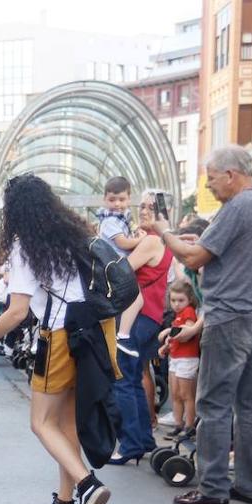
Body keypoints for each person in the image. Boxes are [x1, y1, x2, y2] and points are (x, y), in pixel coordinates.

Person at [0, 174, 113, 504]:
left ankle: (89, 486)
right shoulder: (76, 235)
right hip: (91, 336)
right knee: (67, 424)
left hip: (58, 338)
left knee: (41, 423)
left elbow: (16, 312)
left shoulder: (28, 247)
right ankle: (64, 503)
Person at [151, 145, 252, 504]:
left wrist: (164, 232)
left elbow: (192, 258)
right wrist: (195, 241)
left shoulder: (238, 207)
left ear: (231, 175)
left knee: (214, 403)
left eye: (212, 179)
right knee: (249, 405)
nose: (210, 187)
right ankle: (250, 485)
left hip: (230, 316)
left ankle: (213, 489)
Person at [109, 192, 172, 464]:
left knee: (123, 379)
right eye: (142, 206)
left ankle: (130, 444)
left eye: (150, 207)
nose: (143, 211)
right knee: (133, 379)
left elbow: (122, 271)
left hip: (138, 317)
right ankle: (143, 440)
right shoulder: (166, 241)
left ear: (163, 212)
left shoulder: (150, 240)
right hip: (151, 317)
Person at [96, 176, 145, 356]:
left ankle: (120, 334)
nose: (117, 204)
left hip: (115, 266)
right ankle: (122, 336)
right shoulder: (110, 221)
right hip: (115, 267)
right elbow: (123, 243)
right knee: (136, 299)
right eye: (112, 199)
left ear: (129, 199)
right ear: (104, 199)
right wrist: (141, 239)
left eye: (122, 199)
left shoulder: (119, 219)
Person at [157, 280, 201, 438]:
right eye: (173, 300)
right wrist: (166, 346)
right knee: (175, 394)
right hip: (176, 357)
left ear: (189, 299)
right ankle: (178, 423)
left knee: (186, 394)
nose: (176, 304)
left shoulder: (189, 311)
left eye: (180, 300)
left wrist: (169, 330)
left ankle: (189, 426)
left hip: (187, 358)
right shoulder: (178, 315)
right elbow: (177, 337)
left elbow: (187, 330)